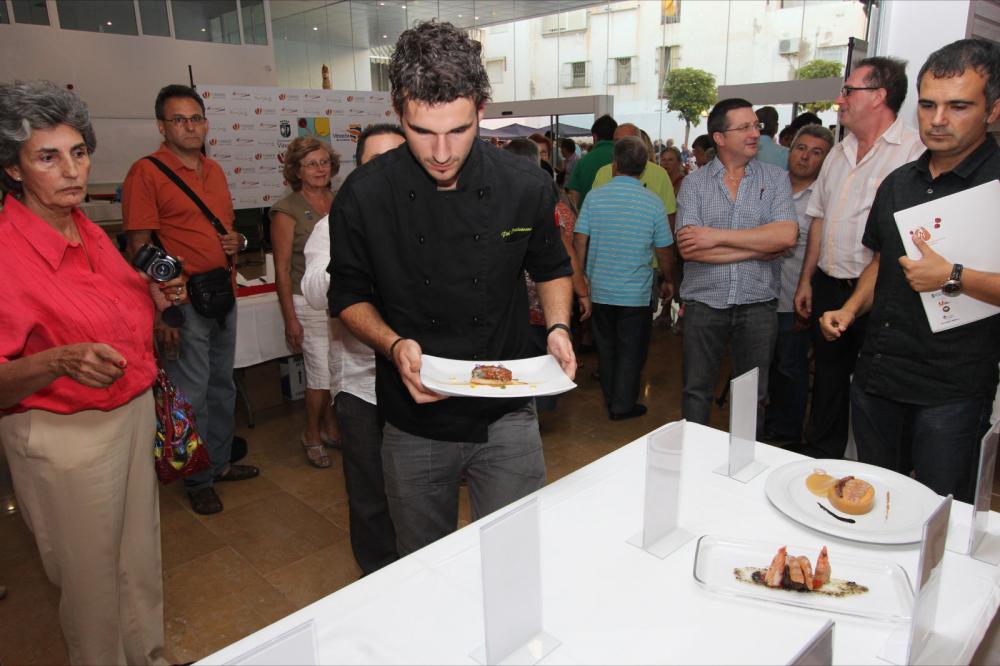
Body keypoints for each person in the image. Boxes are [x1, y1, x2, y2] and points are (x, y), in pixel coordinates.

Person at [327, 21, 575, 556]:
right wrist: (393, 345)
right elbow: (346, 295)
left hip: (509, 405)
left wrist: (557, 325)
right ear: (398, 110)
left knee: (513, 554)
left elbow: (552, 265)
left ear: (482, 108)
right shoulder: (365, 195)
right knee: (424, 565)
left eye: (458, 131)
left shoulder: (524, 184)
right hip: (416, 418)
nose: (441, 152)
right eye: (422, 132)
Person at [0, 80, 181, 665]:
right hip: (64, 439)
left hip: (128, 415)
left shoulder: (91, 234)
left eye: (78, 152)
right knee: (91, 587)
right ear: (13, 167)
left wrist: (154, 297)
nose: (71, 170)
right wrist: (58, 360)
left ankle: (150, 658)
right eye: (47, 157)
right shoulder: (6, 252)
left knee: (139, 565)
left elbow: (120, 312)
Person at [819, 38, 1000, 503]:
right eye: (928, 105)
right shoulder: (900, 183)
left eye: (958, 106)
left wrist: (953, 277)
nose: (937, 120)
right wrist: (851, 308)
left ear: (993, 111)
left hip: (951, 387)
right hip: (880, 375)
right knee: (872, 501)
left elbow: (947, 276)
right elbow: (882, 263)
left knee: (940, 514)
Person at [122, 84, 260, 515]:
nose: (189, 126)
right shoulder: (145, 173)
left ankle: (217, 464)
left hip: (223, 292)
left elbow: (224, 230)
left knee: (222, 388)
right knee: (191, 395)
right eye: (178, 119)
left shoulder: (214, 170)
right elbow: (138, 248)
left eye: (196, 118)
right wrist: (163, 310)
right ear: (162, 126)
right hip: (181, 301)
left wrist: (237, 240)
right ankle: (196, 477)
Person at [792, 57, 924, 460]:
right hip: (830, 287)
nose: (840, 98)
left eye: (849, 90)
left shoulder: (914, 153)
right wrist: (805, 281)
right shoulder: (837, 153)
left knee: (878, 394)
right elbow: (818, 221)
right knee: (828, 385)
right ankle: (823, 465)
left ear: (880, 96)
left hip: (884, 295)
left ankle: (876, 474)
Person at [301, 123, 405, 574]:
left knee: (419, 485)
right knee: (369, 493)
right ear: (358, 170)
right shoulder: (332, 225)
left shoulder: (435, 220)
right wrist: (354, 249)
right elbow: (314, 291)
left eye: (395, 162)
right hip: (362, 385)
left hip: (419, 381)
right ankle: (379, 576)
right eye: (373, 164)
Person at [675, 98, 798, 430]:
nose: (754, 133)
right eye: (744, 127)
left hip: (758, 303)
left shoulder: (775, 179)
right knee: (696, 392)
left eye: (755, 125)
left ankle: (744, 473)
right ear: (719, 137)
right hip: (704, 302)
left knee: (751, 395)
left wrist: (714, 237)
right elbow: (689, 249)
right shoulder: (694, 184)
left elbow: (786, 236)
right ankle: (694, 465)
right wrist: (758, 246)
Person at [574, 136, 675, 420]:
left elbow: (580, 239)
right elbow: (664, 249)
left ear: (614, 165)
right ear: (643, 169)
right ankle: (623, 404)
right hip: (635, 293)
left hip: (600, 289)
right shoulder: (653, 203)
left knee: (605, 348)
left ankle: (611, 398)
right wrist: (669, 279)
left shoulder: (595, 198)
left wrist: (580, 277)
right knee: (632, 349)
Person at [270, 136, 341, 468]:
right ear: (296, 170)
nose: (319, 168)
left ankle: (331, 427)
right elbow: (282, 270)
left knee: (337, 372)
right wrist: (290, 319)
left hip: (340, 301)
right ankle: (311, 434)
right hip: (307, 304)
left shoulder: (342, 201)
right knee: (320, 375)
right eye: (311, 163)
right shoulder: (287, 211)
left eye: (324, 161)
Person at [764, 125, 834, 445]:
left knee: (789, 370)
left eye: (816, 152)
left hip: (793, 299)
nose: (805, 157)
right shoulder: (768, 187)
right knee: (758, 368)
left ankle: (787, 437)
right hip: (758, 295)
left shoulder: (823, 201)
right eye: (800, 148)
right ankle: (760, 430)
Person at [566, 113, 617, 208]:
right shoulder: (623, 158)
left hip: (588, 219)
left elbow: (573, 198)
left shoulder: (583, 162)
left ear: (595, 136)